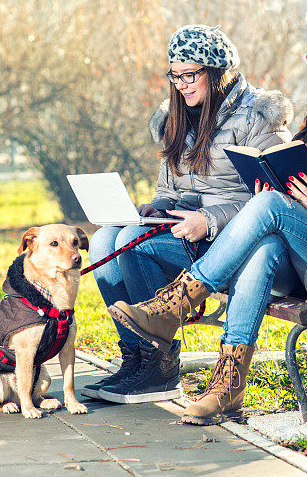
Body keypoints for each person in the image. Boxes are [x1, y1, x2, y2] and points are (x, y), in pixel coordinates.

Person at [109, 32, 307, 425]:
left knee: (272, 207)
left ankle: (177, 302)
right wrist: (270, 183)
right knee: (264, 245)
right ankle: (228, 386)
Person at [85, 24, 294, 404]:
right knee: (103, 241)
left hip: (229, 242)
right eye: (174, 75)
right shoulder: (176, 117)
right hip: (185, 231)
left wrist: (210, 220)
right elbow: (171, 188)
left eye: (190, 74)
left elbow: (275, 201)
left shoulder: (258, 117)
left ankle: (159, 366)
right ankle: (137, 357)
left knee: (131, 243)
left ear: (217, 72)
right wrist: (157, 207)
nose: (180, 84)